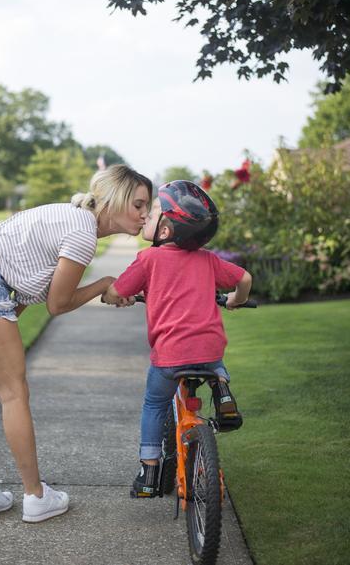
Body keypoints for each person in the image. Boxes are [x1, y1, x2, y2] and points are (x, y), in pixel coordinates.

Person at [0, 164, 152, 521]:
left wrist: (106, 287)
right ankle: (35, 497)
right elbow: (58, 303)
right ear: (113, 199)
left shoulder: (74, 219)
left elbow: (33, 290)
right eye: (138, 204)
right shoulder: (83, 233)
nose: (145, 214)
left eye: (147, 206)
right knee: (14, 392)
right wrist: (105, 283)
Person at [102, 180, 252, 498]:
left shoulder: (148, 260)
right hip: (209, 351)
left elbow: (117, 291)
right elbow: (244, 278)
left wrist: (116, 296)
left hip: (170, 357)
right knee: (210, 352)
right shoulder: (209, 261)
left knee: (154, 404)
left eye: (154, 210)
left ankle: (149, 473)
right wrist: (236, 299)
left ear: (167, 230)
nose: (147, 216)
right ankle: (222, 392)